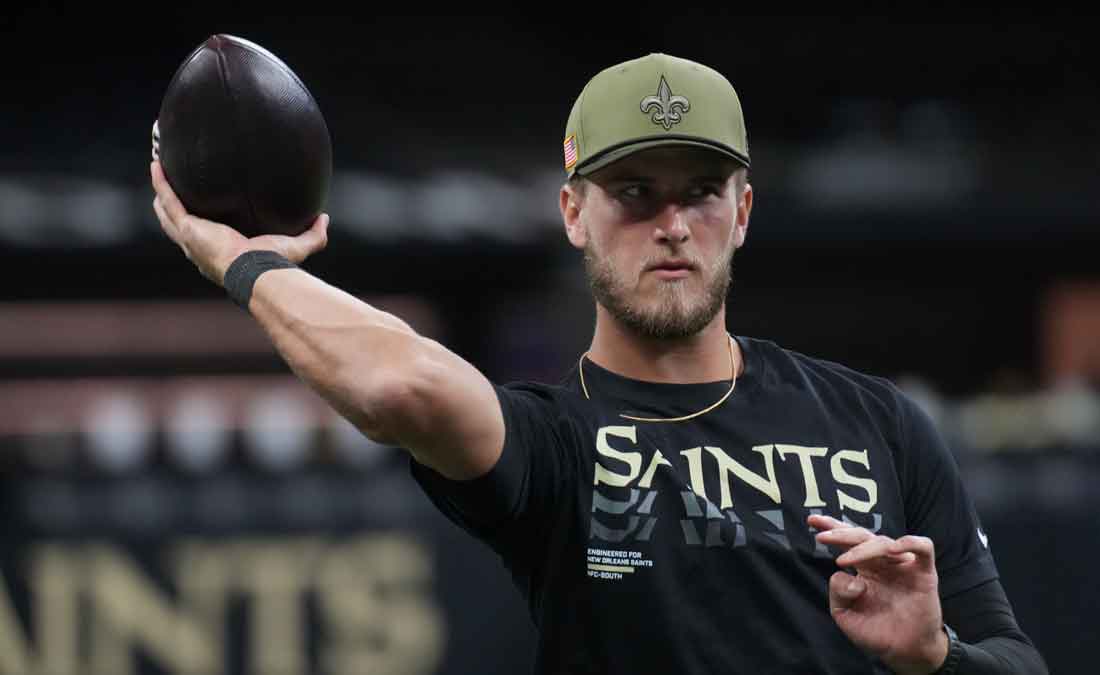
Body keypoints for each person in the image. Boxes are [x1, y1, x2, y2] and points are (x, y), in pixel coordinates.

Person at [150, 52, 1047, 674]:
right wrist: (242, 262)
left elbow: (1013, 659)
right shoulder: (555, 440)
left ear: (740, 214)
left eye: (700, 192)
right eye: (632, 192)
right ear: (573, 212)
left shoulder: (876, 421)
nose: (670, 223)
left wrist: (937, 659)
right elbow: (397, 380)